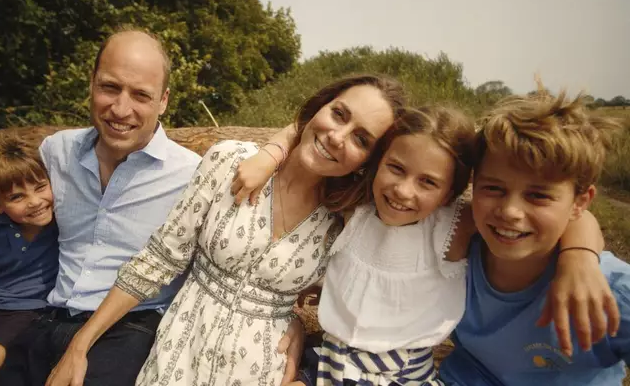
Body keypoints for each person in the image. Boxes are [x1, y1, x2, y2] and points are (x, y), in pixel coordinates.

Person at [46, 74, 408, 385]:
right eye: (339, 114)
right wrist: (81, 343)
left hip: (263, 369)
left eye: (361, 139)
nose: (337, 136)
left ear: (369, 161)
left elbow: (360, 313)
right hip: (178, 356)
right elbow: (158, 260)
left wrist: (297, 324)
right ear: (320, 107)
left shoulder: (343, 221)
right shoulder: (231, 160)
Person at [231, 103, 615, 386]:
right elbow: (309, 131)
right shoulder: (358, 206)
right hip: (329, 361)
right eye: (395, 168)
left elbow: (567, 215)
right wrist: (270, 154)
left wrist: (579, 258)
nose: (403, 191)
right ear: (377, 162)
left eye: (428, 182)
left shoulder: (454, 225)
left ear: (452, 190)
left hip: (397, 376)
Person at [0, 27, 206, 386]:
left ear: (163, 101)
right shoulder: (55, 153)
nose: (121, 109)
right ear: (91, 83)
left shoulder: (191, 176)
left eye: (140, 95)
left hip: (132, 327)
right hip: (45, 316)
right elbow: (5, 205)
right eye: (110, 87)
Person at [438, 87, 630, 385]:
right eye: (493, 188)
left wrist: (580, 257)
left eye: (538, 195)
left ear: (580, 202)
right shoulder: (456, 246)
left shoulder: (610, 292)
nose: (510, 211)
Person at [0, 133, 59, 384]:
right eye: (17, 197)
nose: (35, 202)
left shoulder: (62, 218)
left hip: (26, 307)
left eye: (40, 187)